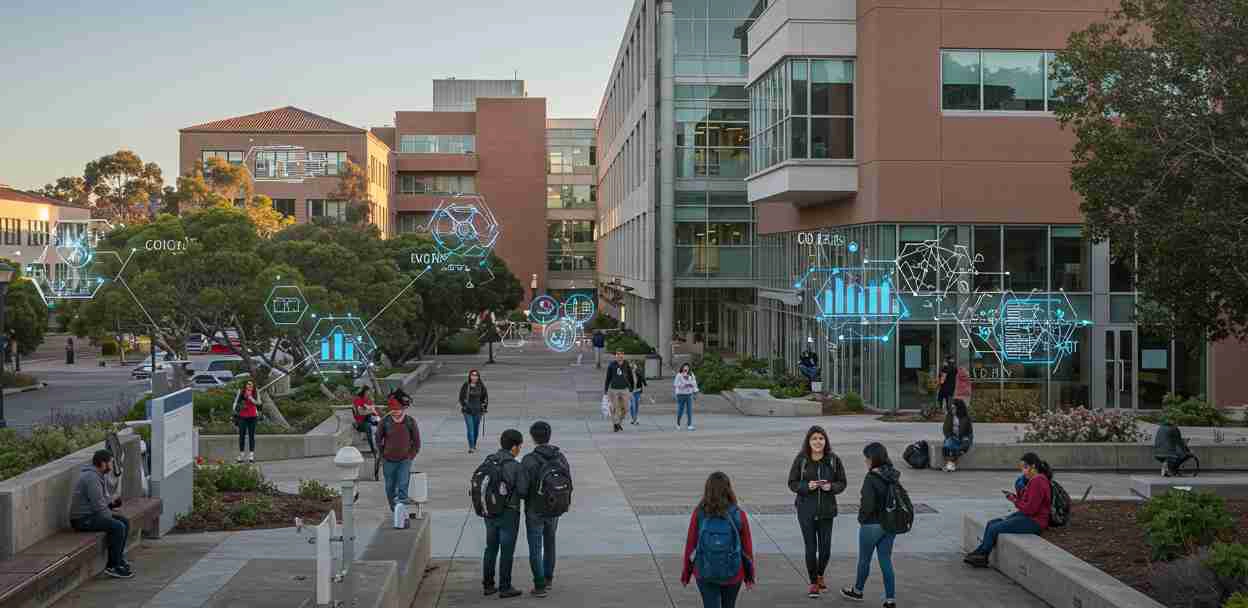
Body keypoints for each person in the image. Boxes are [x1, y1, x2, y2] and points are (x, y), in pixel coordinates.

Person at [680, 472, 756, 608]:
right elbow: (747, 548)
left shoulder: (699, 514)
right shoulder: (739, 514)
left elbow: (690, 546)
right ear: (728, 489)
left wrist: (686, 573)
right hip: (733, 572)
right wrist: (749, 576)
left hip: (705, 571)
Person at [788, 425, 847, 597]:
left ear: (826, 440)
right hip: (805, 510)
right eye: (814, 438)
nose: (818, 441)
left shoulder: (833, 459)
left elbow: (842, 482)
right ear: (808, 441)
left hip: (827, 511)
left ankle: (820, 574)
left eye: (821, 438)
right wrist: (807, 486)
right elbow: (792, 483)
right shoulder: (801, 460)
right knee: (810, 548)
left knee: (825, 548)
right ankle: (813, 582)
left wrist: (832, 486)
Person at [964, 453, 1053, 567]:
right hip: (1027, 516)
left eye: (1025, 467)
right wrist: (1016, 497)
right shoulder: (1034, 480)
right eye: (1022, 468)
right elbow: (1027, 503)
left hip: (1035, 521)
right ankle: (979, 553)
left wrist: (1014, 500)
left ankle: (983, 555)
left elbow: (1030, 509)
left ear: (1034, 466)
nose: (1023, 471)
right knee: (992, 523)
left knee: (994, 528)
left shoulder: (1038, 481)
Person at [840, 442, 899, 607]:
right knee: (886, 560)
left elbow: (867, 504)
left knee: (864, 559)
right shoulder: (892, 475)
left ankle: (857, 591)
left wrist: (862, 519)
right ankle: (890, 599)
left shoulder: (871, 477)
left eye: (866, 458)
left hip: (872, 524)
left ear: (872, 459)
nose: (865, 461)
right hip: (890, 524)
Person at [521, 421, 571, 597]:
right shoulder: (560, 457)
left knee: (535, 547)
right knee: (550, 543)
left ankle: (540, 585)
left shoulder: (528, 460)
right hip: (554, 507)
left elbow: (522, 489)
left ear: (533, 438)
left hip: (535, 509)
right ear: (549, 436)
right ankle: (549, 578)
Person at [70, 450, 134, 579]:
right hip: (82, 519)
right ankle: (112, 566)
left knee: (124, 521)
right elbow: (98, 505)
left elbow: (103, 499)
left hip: (92, 514)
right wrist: (110, 514)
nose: (112, 465)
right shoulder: (91, 478)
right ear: (103, 463)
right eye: (110, 462)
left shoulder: (99, 475)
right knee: (118, 526)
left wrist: (112, 503)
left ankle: (118, 559)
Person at [482, 429, 529, 599]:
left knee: (491, 548)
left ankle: (488, 585)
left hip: (489, 512)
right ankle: (505, 586)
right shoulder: (515, 466)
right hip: (509, 512)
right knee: (507, 550)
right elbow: (523, 491)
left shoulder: (489, 460)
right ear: (515, 447)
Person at [377, 398, 421, 511]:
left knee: (402, 484)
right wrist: (383, 454)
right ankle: (394, 508)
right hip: (388, 460)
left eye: (398, 409)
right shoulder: (385, 421)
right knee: (389, 487)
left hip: (404, 460)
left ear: (402, 409)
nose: (396, 411)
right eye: (393, 409)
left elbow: (417, 442)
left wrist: (410, 456)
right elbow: (378, 439)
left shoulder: (410, 421)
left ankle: (401, 509)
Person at [603, 351, 635, 432]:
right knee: (614, 408)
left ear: (623, 355)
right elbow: (608, 377)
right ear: (615, 356)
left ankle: (619, 423)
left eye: (621, 354)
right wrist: (606, 390)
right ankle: (615, 423)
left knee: (626, 408)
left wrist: (631, 388)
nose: (619, 356)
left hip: (625, 389)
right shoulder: (612, 365)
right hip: (614, 389)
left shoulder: (626, 364)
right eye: (618, 354)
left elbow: (630, 376)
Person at [459, 369, 489, 453]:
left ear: (478, 377)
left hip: (478, 411)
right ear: (470, 376)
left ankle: (474, 444)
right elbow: (461, 397)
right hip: (467, 411)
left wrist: (484, 407)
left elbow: (485, 398)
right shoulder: (466, 385)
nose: (474, 377)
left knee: (476, 429)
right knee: (470, 429)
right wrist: (464, 406)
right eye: (472, 375)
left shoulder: (481, 386)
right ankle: (471, 447)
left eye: (476, 375)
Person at [942, 400, 975, 472]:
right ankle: (950, 464)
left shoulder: (965, 418)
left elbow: (969, 432)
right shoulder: (949, 416)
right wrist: (950, 436)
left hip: (963, 438)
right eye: (952, 408)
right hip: (952, 437)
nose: (952, 410)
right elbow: (945, 429)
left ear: (959, 408)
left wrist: (966, 438)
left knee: (960, 448)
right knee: (947, 446)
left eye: (954, 408)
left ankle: (950, 464)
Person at [234, 381, 260, 463]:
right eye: (248, 384)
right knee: (241, 436)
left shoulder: (255, 392)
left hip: (253, 417)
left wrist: (252, 397)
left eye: (252, 384)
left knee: (251, 436)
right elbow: (236, 403)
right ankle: (241, 455)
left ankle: (251, 455)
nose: (250, 385)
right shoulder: (241, 392)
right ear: (245, 385)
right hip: (242, 416)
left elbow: (259, 403)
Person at [352, 386, 380, 455]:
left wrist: (373, 409)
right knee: (369, 427)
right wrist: (371, 410)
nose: (371, 393)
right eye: (369, 391)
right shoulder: (358, 400)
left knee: (383, 424)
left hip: (370, 419)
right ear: (364, 392)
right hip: (360, 422)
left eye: (371, 391)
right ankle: (373, 450)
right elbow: (360, 413)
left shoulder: (369, 400)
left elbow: (375, 412)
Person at [674, 363, 700, 431]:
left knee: (689, 410)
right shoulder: (679, 375)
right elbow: (676, 384)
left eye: (687, 368)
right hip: (681, 394)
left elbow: (694, 383)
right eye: (684, 367)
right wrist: (683, 384)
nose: (686, 369)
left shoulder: (691, 374)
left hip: (689, 394)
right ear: (682, 368)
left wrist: (695, 391)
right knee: (681, 410)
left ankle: (689, 424)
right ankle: (678, 424)